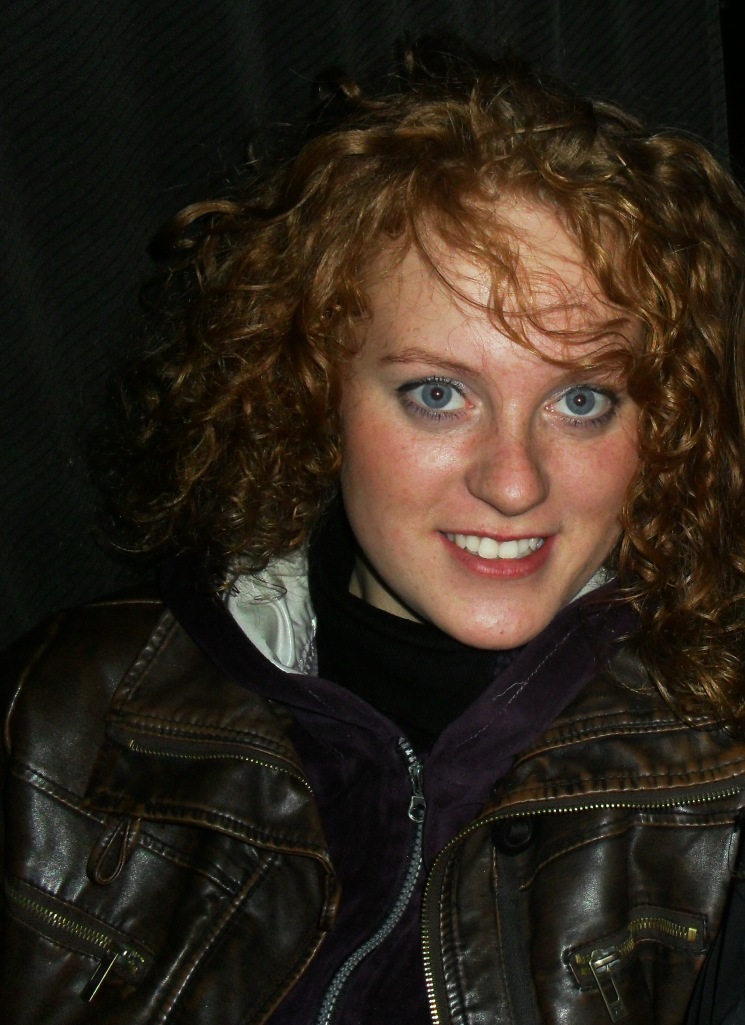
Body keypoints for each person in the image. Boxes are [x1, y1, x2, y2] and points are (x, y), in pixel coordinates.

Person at [3, 43, 745, 1025]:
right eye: (437, 394)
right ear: (312, 389)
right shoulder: (75, 710)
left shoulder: (719, 768)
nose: (513, 482)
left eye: (581, 399)